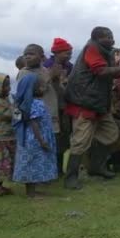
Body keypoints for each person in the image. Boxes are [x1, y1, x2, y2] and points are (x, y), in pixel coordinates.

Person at [63, 26, 120, 190]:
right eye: (107, 37)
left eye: (112, 36)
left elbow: (111, 73)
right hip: (85, 102)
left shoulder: (105, 52)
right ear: (97, 38)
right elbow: (100, 71)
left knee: (111, 133)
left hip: (99, 103)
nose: (111, 39)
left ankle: (96, 166)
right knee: (80, 141)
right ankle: (71, 177)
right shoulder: (92, 49)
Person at [12, 74, 58, 198]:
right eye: (42, 86)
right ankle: (31, 193)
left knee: (32, 163)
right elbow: (34, 123)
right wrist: (42, 141)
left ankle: (32, 191)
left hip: (28, 139)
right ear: (34, 89)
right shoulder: (36, 104)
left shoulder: (26, 103)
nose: (45, 88)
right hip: (35, 140)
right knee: (33, 164)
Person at [43, 37, 74, 176]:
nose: (69, 56)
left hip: (64, 106)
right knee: (52, 137)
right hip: (50, 107)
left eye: (70, 53)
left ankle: (60, 169)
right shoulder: (46, 65)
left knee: (63, 138)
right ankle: (50, 169)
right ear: (57, 52)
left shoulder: (70, 66)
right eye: (67, 53)